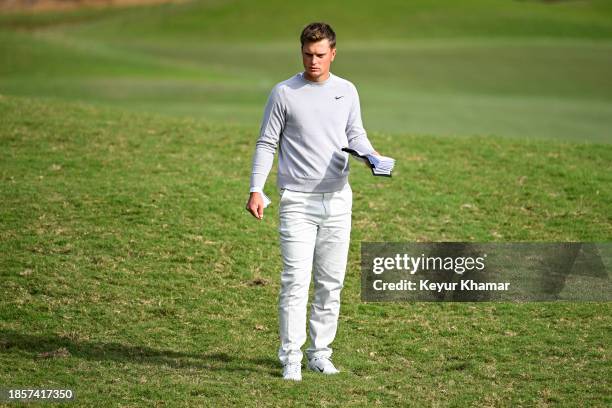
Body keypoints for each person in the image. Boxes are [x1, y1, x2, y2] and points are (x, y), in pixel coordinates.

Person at [246, 22, 380, 381]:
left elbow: (356, 134)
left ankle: (319, 354)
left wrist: (372, 157)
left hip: (338, 199)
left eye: (320, 54)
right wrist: (256, 188)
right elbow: (265, 143)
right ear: (301, 52)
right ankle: (290, 357)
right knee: (295, 280)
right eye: (307, 54)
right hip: (296, 201)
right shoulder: (284, 93)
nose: (313, 61)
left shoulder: (347, 91)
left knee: (331, 281)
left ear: (333, 53)